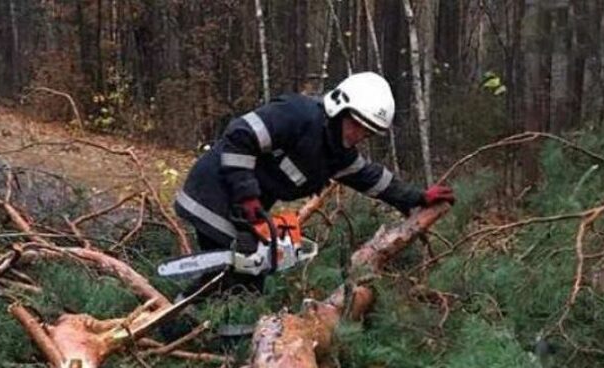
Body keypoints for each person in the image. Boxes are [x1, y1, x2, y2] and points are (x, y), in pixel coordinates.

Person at [173, 71, 455, 292]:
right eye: (356, 125)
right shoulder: (298, 115)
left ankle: (223, 330)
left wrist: (417, 197)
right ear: (339, 109)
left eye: (366, 132)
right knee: (234, 275)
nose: (357, 135)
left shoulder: (336, 153)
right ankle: (185, 321)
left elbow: (371, 177)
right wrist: (247, 195)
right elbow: (240, 135)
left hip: (244, 206)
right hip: (214, 192)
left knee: (250, 274)